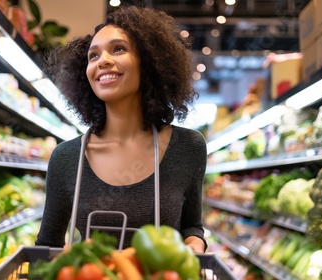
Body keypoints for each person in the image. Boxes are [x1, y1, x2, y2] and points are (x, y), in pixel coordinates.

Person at [35, 5, 207, 253]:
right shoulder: (66, 158)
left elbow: (192, 226)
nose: (103, 60)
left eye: (118, 49)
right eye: (93, 56)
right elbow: (46, 246)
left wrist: (195, 246)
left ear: (148, 62)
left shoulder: (187, 148)